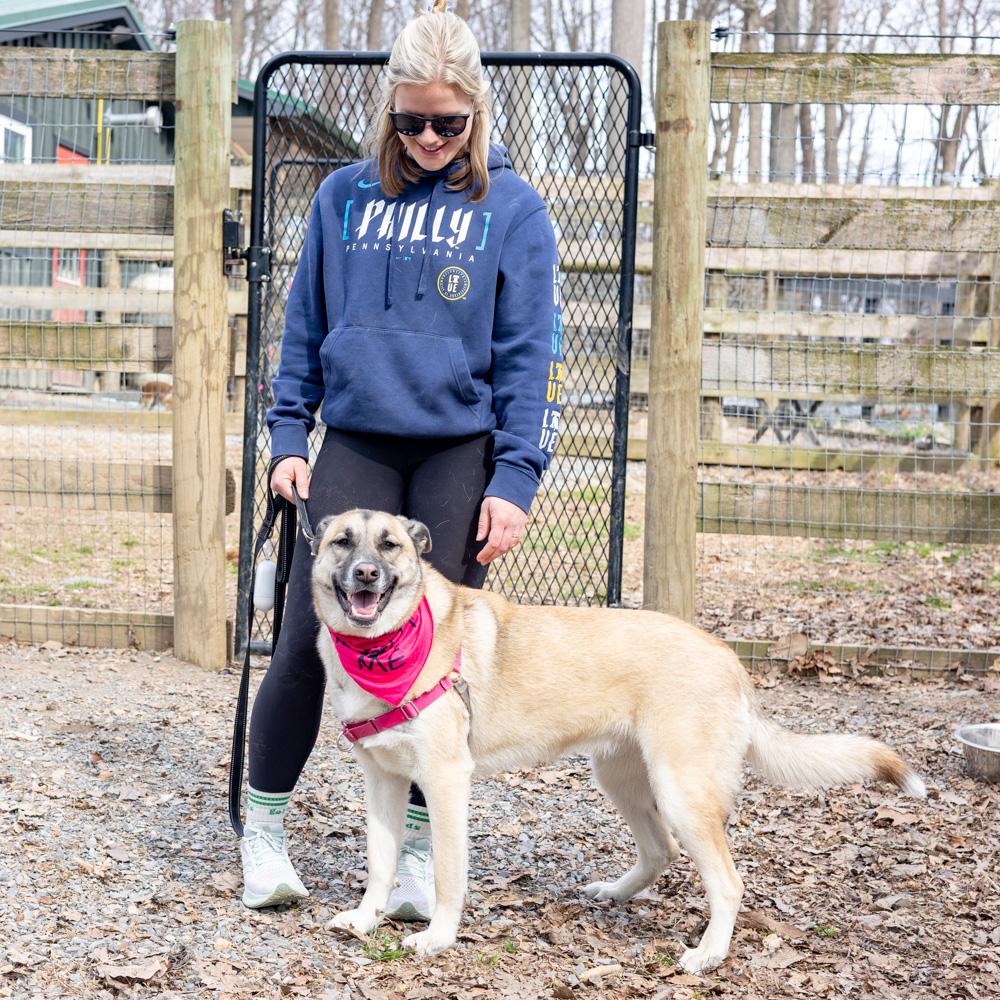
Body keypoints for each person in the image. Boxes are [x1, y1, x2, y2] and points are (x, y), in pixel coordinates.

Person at [240, 4, 564, 921]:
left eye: (447, 123)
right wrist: (288, 437)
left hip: (458, 451)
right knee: (311, 636)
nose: (427, 137)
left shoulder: (514, 208)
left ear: (476, 113)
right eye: (410, 120)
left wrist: (514, 479)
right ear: (390, 111)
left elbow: (530, 359)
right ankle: (263, 835)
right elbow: (301, 327)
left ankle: (419, 859)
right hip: (358, 442)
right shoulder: (343, 196)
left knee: (431, 665)